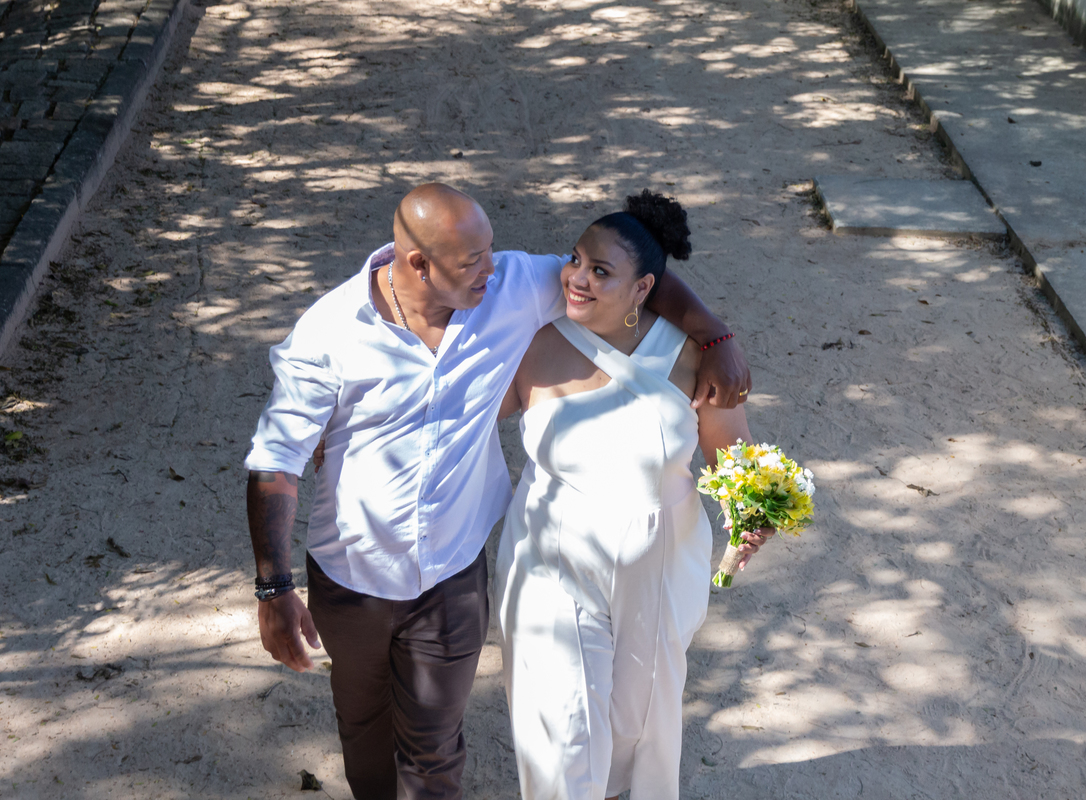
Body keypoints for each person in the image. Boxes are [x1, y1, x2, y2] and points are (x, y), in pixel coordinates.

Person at [243, 183, 750, 800]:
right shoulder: (328, 334)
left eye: (491, 250)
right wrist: (273, 588)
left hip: (452, 574)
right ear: (419, 264)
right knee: (365, 731)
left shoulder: (509, 288)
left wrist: (715, 335)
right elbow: (274, 463)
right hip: (352, 573)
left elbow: (639, 271)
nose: (495, 267)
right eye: (473, 260)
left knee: (434, 751)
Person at [494, 190, 773, 800]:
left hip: (658, 561)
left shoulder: (693, 356)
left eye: (601, 271)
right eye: (575, 260)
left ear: (644, 288)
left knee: (635, 722)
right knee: (564, 724)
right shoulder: (534, 342)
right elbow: (462, 417)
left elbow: (733, 456)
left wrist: (754, 509)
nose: (577, 278)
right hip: (552, 554)